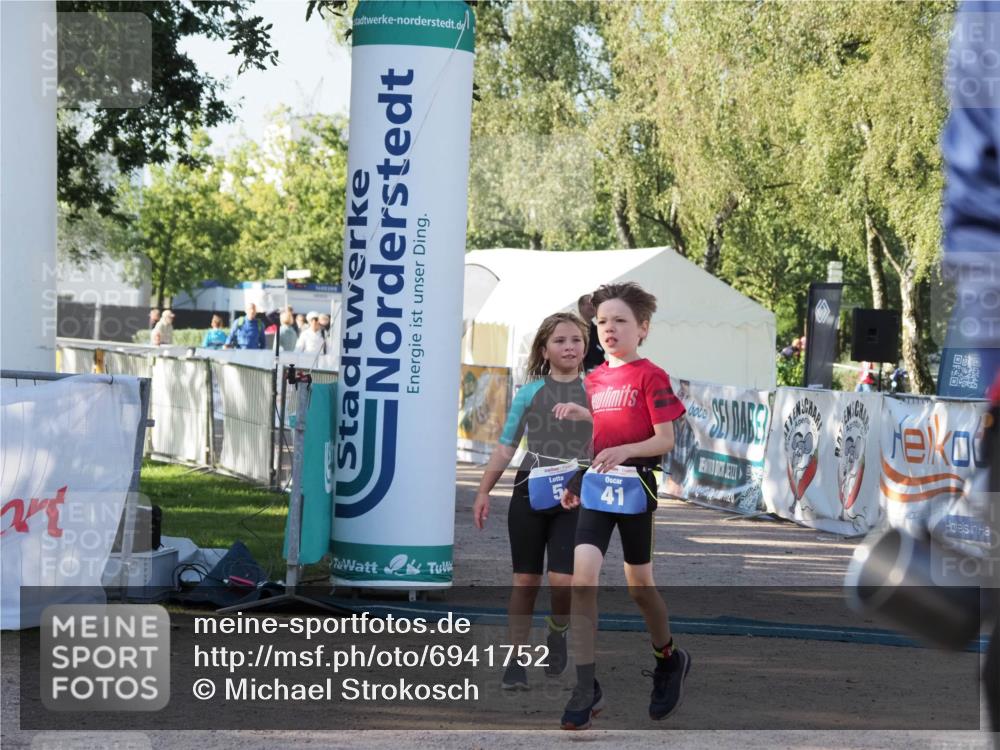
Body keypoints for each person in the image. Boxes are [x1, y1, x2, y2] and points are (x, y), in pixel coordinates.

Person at [553, 282, 688, 730]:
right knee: (583, 580)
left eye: (620, 321)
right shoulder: (593, 380)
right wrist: (578, 473)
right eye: (603, 322)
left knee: (639, 587)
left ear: (642, 328)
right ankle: (586, 685)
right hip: (597, 485)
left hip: (636, 487)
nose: (609, 329)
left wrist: (627, 451)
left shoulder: (652, 375)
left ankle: (668, 658)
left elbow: (663, 439)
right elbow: (604, 435)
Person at [472, 312, 592, 690]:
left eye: (575, 339)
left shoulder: (596, 390)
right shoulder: (529, 392)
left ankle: (557, 630)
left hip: (577, 490)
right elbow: (507, 445)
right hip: (531, 488)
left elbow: (607, 439)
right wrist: (483, 490)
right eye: (560, 341)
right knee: (525, 581)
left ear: (585, 346)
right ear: (545, 349)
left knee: (563, 581)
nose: (569, 346)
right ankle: (515, 661)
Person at [577, 294, 605, 372]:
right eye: (589, 304)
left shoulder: (597, 331)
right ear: (581, 307)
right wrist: (590, 367)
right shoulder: (572, 330)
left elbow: (600, 356)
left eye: (594, 304)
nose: (592, 306)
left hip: (598, 376)